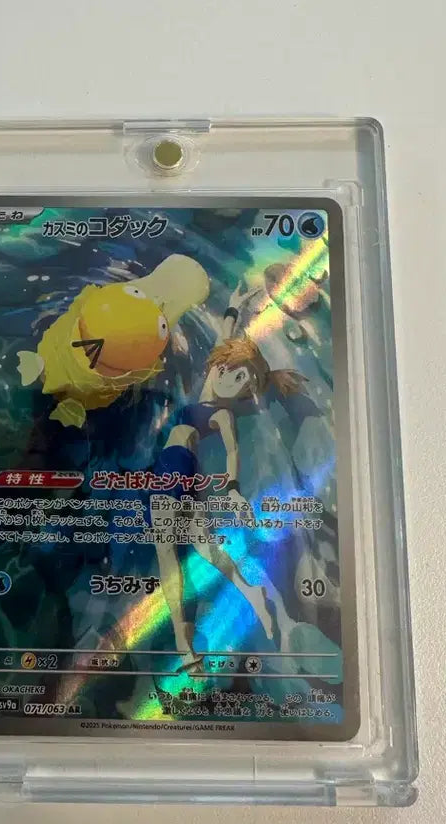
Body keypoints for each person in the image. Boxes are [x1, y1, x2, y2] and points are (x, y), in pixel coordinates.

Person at [150, 282, 306, 671]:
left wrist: (233, 490)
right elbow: (225, 338)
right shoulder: (209, 385)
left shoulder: (222, 415)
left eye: (243, 384)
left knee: (168, 555)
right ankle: (251, 593)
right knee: (203, 550)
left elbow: (233, 453)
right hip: (179, 475)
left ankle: (183, 644)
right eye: (233, 373)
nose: (231, 381)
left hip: (174, 469)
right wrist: (234, 307)